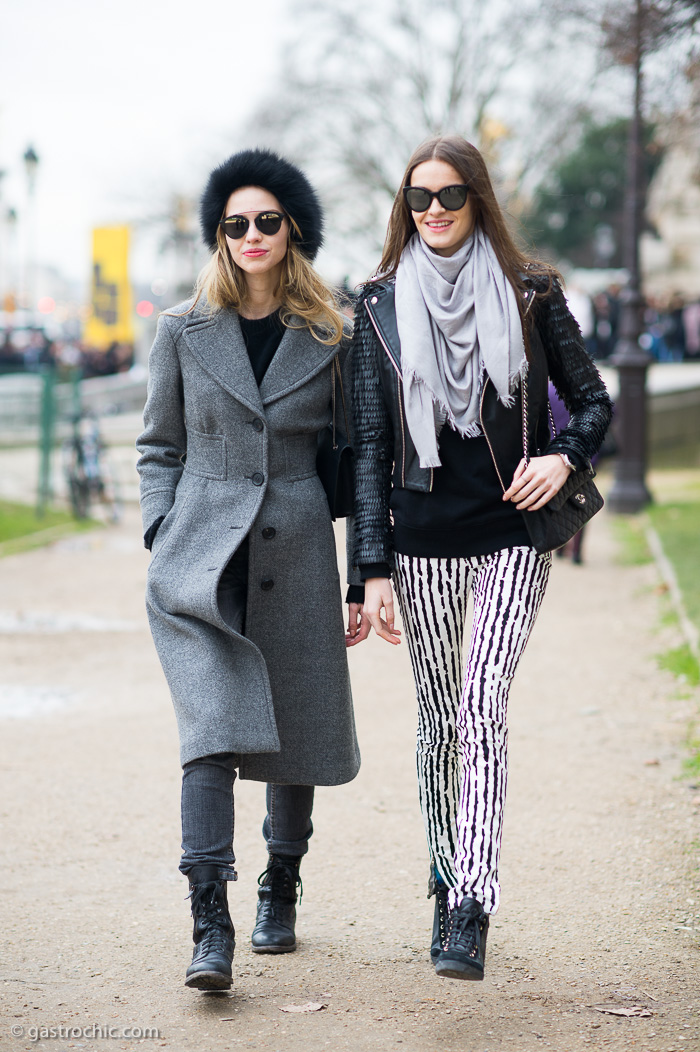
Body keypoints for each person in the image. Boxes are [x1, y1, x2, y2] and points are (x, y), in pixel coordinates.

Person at [349, 136, 613, 982]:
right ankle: (444, 865)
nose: (433, 210)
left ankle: (472, 901)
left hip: (509, 537)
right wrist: (370, 569)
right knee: (436, 722)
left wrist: (564, 455)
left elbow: (596, 399)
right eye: (418, 197)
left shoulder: (531, 294)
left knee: (481, 703)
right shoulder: (378, 304)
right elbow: (366, 445)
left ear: (478, 201)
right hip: (419, 542)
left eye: (450, 196)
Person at [137, 149, 362, 991]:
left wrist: (356, 573)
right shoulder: (181, 331)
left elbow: (354, 454)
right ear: (218, 235)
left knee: (294, 731)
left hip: (298, 547)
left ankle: (283, 882)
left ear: (293, 228)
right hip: (201, 560)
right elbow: (159, 445)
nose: (252, 235)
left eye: (268, 220)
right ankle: (210, 922)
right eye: (235, 224)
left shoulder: (330, 335)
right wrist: (164, 528)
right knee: (211, 735)